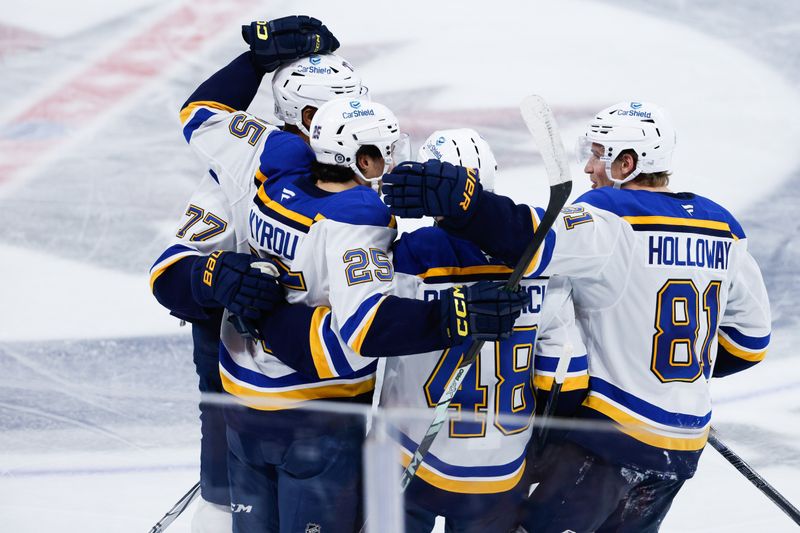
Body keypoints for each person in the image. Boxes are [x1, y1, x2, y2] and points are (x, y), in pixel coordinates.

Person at [168, 23, 528, 532]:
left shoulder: (259, 159)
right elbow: (350, 343)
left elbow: (200, 115)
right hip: (317, 414)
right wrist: (214, 281)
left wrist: (253, 62)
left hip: (244, 399)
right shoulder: (361, 219)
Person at [382, 101, 772, 532]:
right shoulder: (725, 228)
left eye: (598, 154)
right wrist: (670, 378)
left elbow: (527, 237)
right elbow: (748, 343)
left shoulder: (611, 215)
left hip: (607, 440)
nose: (588, 168)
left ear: (628, 163)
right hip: (683, 446)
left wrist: (465, 204)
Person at [250, 128, 589, 533]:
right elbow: (564, 382)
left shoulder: (410, 255)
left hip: (404, 453)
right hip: (500, 467)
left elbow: (366, 329)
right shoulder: (543, 268)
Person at [149, 16, 348, 532]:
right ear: (295, 114)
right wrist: (217, 277)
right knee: (224, 506)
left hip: (336, 387)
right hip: (244, 381)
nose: (346, 120)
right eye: (327, 110)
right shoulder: (245, 170)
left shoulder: (368, 160)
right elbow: (169, 273)